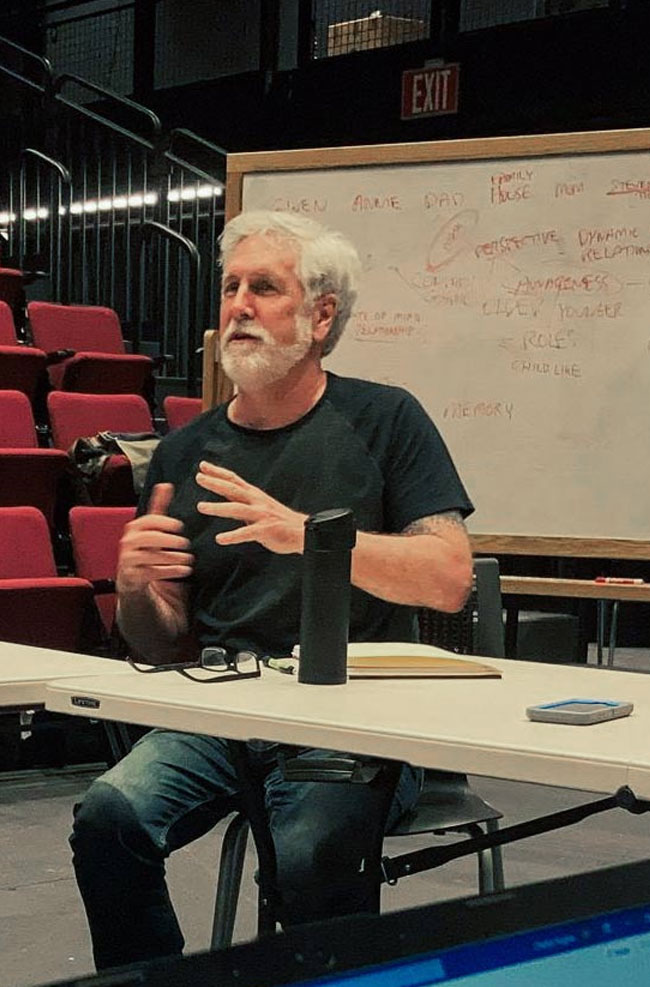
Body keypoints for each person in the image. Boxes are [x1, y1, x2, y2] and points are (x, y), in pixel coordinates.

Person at [70, 211, 475, 970]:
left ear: (322, 316)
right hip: (225, 711)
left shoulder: (386, 418)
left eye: (264, 287)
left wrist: (310, 536)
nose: (238, 306)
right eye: (229, 288)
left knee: (311, 850)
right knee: (108, 817)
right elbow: (160, 640)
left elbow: (450, 577)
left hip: (359, 718)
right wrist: (136, 588)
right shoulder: (184, 450)